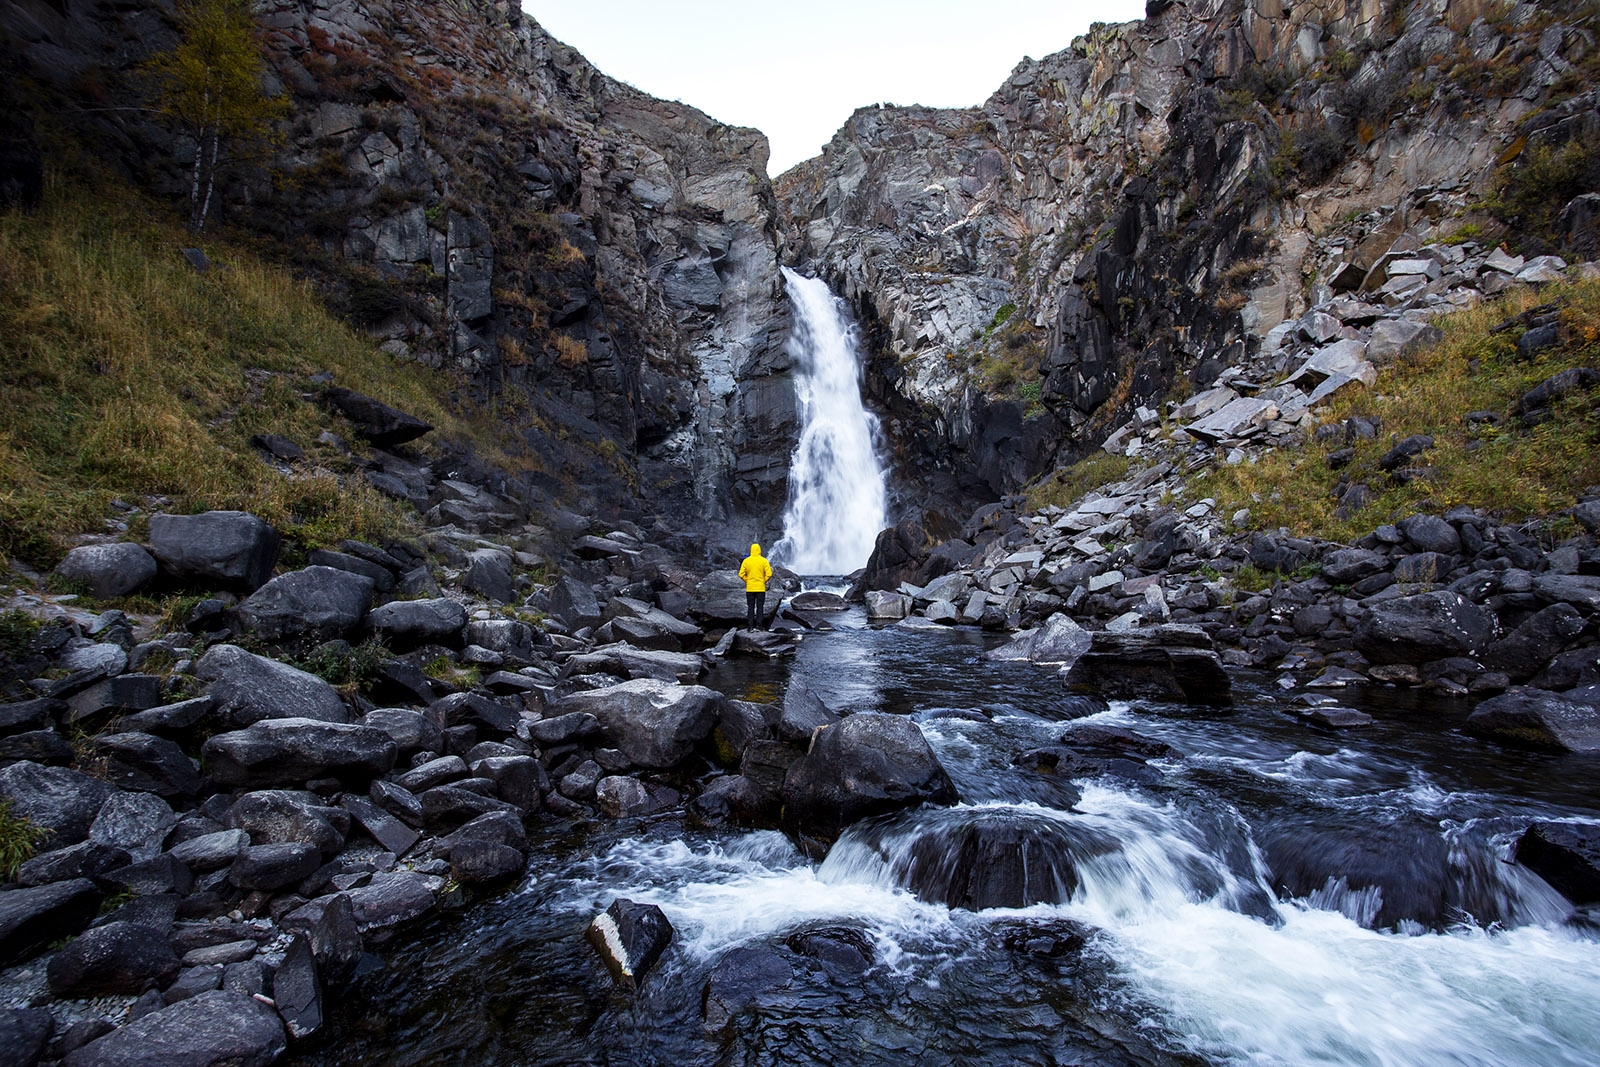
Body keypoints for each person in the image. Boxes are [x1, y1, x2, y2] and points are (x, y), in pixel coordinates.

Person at [738, 543, 772, 630]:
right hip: (760, 588)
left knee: (750, 607)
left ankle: (750, 626)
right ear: (759, 550)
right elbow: (769, 574)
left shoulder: (746, 561)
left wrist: (747, 580)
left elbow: (741, 574)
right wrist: (763, 581)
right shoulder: (763, 561)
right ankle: (759, 625)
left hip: (750, 588)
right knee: (760, 607)